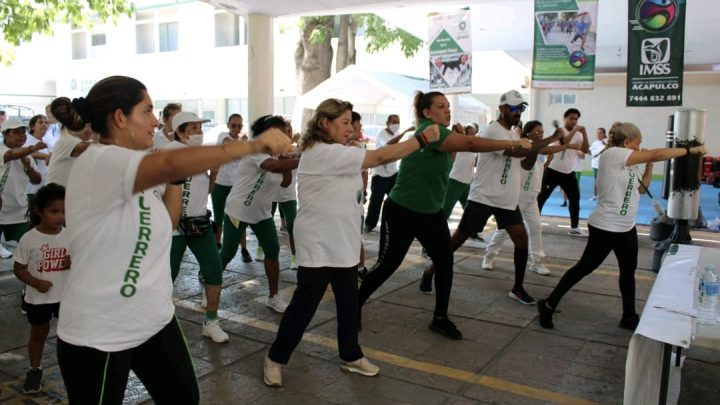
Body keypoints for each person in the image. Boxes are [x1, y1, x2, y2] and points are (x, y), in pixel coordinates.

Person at [51, 75, 290, 404]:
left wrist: (176, 178)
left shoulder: (137, 168)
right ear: (120, 118)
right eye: (147, 111)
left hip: (154, 319)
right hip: (101, 331)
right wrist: (252, 145)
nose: (154, 121)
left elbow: (167, 220)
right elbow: (165, 164)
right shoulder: (100, 161)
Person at [263, 98, 441, 387]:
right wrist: (421, 138)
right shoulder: (321, 152)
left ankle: (351, 355)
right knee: (304, 307)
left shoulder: (343, 150)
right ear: (325, 124)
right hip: (319, 242)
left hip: (343, 239)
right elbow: (381, 158)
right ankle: (275, 358)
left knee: (348, 304)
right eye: (344, 123)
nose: (351, 128)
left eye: (351, 123)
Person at [357, 91, 532, 341]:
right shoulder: (431, 131)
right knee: (387, 265)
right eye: (441, 106)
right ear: (427, 113)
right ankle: (354, 305)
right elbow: (471, 145)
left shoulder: (442, 134)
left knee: (445, 261)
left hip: (431, 214)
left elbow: (455, 152)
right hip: (402, 211)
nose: (447, 110)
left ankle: (440, 318)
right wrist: (514, 143)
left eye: (448, 106)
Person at [536, 122, 707, 330]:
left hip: (626, 227)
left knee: (628, 272)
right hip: (605, 226)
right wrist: (689, 151)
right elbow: (655, 153)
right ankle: (548, 304)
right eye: (638, 143)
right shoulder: (614, 154)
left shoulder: (628, 162)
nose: (639, 148)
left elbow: (641, 190)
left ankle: (629, 316)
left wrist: (649, 166)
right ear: (626, 142)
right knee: (584, 267)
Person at [418, 92, 557, 304]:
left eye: (521, 108)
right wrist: (545, 140)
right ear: (501, 108)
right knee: (457, 240)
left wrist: (534, 145)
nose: (517, 112)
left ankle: (518, 288)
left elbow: (526, 163)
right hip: (484, 196)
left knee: (522, 239)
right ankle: (430, 271)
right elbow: (514, 153)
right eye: (513, 108)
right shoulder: (493, 129)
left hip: (507, 200)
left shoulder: (514, 135)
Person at [219, 115, 299, 313]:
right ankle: (210, 285)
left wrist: (286, 159)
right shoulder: (254, 150)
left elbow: (285, 182)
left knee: (272, 251)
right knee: (227, 253)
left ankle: (273, 296)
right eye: (280, 133)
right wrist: (301, 159)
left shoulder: (276, 155)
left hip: (261, 213)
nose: (285, 136)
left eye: (286, 132)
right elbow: (273, 168)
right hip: (238, 210)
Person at [164, 111, 229, 343]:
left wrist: (213, 177)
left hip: (199, 224)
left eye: (200, 128)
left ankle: (211, 321)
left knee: (213, 270)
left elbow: (203, 192)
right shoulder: (170, 150)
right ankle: (159, 325)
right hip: (173, 227)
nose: (198, 133)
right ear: (179, 132)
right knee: (165, 277)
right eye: (192, 128)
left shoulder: (199, 155)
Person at [483, 121, 566, 277]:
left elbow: (540, 164)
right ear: (527, 133)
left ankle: (537, 261)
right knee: (504, 230)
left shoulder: (540, 150)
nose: (540, 134)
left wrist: (549, 161)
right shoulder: (523, 148)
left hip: (532, 198)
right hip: (517, 197)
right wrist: (561, 142)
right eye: (536, 131)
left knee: (535, 228)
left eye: (542, 131)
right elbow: (532, 159)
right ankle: (489, 255)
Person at [13, 183, 69, 394]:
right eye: (54, 212)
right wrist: (35, 282)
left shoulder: (69, 235)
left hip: (65, 297)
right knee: (39, 334)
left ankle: (71, 368)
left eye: (64, 211)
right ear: (39, 211)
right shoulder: (29, 239)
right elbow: (19, 268)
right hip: (38, 298)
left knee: (68, 336)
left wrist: (72, 261)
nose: (61, 217)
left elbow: (81, 260)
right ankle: (35, 368)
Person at [537, 108, 589, 236]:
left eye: (576, 119)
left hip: (568, 172)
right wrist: (576, 130)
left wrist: (585, 133)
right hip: (553, 170)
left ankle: (574, 227)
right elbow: (565, 141)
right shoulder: (559, 130)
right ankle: (533, 223)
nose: (574, 121)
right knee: (542, 197)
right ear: (564, 118)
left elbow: (585, 149)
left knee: (575, 198)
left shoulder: (579, 135)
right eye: (571, 118)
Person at [210, 114, 252, 261]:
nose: (236, 128)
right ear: (228, 125)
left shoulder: (243, 141)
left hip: (237, 186)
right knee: (219, 217)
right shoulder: (223, 135)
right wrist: (243, 143)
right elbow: (230, 146)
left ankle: (244, 249)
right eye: (234, 125)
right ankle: (217, 245)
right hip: (220, 183)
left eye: (239, 126)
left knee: (239, 217)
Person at [0, 117, 44, 258]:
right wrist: (32, 148)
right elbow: (10, 155)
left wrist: (29, 167)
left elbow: (37, 180)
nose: (22, 135)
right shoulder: (2, 150)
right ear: (6, 134)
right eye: (17, 132)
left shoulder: (26, 156)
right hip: (1, 211)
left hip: (19, 212)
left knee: (26, 252)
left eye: (24, 132)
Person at [363, 114, 414, 233]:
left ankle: (396, 224)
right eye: (394, 122)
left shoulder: (396, 134)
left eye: (398, 122)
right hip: (380, 174)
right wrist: (405, 132)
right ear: (388, 123)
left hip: (393, 173)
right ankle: (370, 224)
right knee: (376, 201)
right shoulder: (382, 134)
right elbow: (390, 144)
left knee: (397, 200)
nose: (396, 124)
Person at [24, 115, 51, 197]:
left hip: (43, 185)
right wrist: (48, 157)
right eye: (40, 122)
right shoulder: (28, 139)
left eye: (46, 123)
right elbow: (33, 153)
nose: (44, 125)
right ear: (32, 126)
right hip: (31, 189)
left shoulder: (45, 141)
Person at [588, 127, 607, 200]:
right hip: (595, 165)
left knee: (604, 181)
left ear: (604, 134)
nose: (598, 135)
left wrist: (605, 145)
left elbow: (609, 150)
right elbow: (589, 152)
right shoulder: (594, 143)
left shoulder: (607, 142)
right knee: (596, 180)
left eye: (600, 133)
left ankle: (604, 196)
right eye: (597, 133)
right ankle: (595, 196)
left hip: (604, 165)